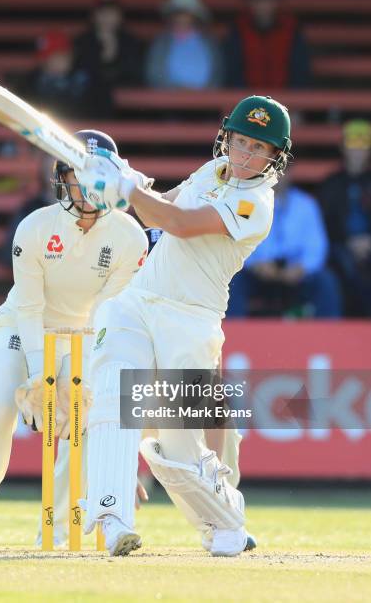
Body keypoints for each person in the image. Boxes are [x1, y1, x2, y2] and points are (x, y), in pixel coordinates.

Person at [75, 95, 292, 556]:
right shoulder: (210, 171)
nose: (247, 156)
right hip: (137, 300)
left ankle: (225, 521)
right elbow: (159, 209)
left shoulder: (257, 203)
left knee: (176, 444)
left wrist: (128, 187)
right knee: (112, 397)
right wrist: (118, 185)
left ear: (276, 156)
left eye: (260, 149)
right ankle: (112, 518)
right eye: (241, 143)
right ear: (226, 139)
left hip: (190, 320)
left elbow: (177, 222)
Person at [0, 130, 149, 548]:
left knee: (80, 421)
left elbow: (106, 313)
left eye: (97, 178)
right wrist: (40, 377)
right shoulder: (34, 227)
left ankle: (54, 530)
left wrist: (76, 380)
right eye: (78, 177)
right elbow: (30, 307)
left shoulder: (130, 237)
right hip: (19, 328)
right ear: (62, 178)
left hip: (84, 334)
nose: (87, 189)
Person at [228, 174, 342, 318]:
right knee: (234, 281)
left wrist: (303, 268)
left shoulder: (306, 204)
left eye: (283, 170)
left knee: (326, 281)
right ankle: (235, 336)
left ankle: (328, 337)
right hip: (259, 273)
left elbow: (317, 246)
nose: (278, 176)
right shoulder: (246, 203)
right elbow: (237, 239)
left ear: (290, 173)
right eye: (273, 171)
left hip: (296, 274)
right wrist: (255, 264)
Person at [318, 119, 371, 316]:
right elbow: (323, 225)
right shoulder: (330, 184)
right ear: (343, 147)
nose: (357, 151)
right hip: (338, 249)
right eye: (353, 144)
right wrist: (348, 242)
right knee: (336, 271)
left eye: (363, 144)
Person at [74, 0, 144, 117]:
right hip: (89, 105)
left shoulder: (131, 42)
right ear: (94, 16)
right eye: (103, 13)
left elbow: (134, 74)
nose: (107, 18)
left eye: (112, 13)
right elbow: (82, 73)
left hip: (126, 107)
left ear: (120, 16)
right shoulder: (82, 42)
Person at [223, 0, 311, 89]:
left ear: (277, 0)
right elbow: (233, 72)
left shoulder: (291, 29)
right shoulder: (238, 29)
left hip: (286, 99)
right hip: (248, 99)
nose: (263, 4)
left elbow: (300, 71)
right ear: (250, 1)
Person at [145, 0, 224, 89]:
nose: (182, 18)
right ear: (172, 16)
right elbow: (154, 74)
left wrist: (204, 92)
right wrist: (175, 90)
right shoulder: (162, 42)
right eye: (178, 13)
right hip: (168, 100)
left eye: (186, 13)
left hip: (206, 99)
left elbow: (217, 74)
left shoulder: (209, 42)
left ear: (194, 16)